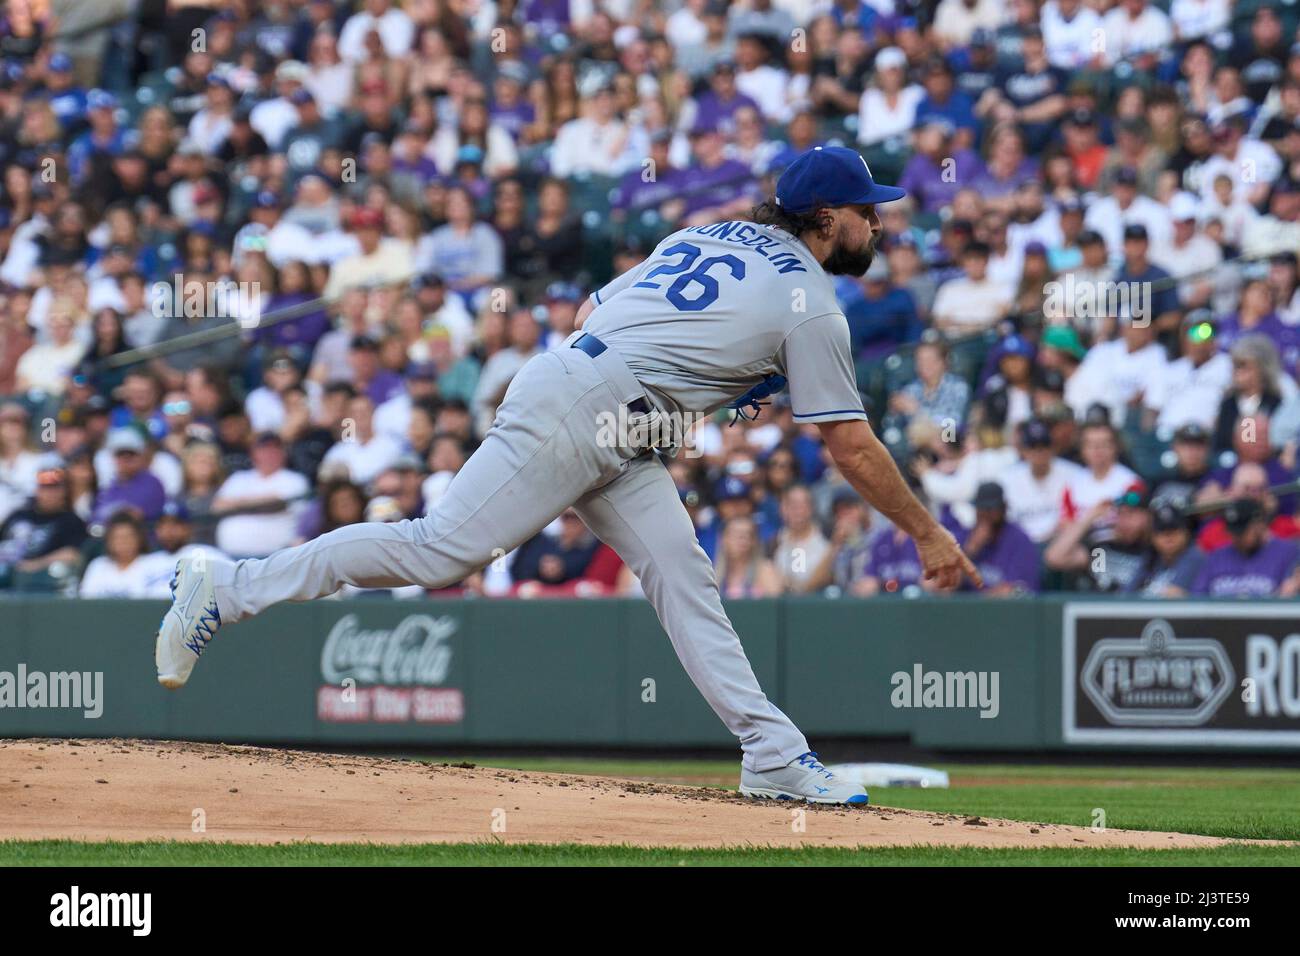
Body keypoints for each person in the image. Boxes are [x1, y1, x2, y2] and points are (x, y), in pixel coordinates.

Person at [155, 145, 980, 806]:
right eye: (867, 210)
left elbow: (593, 311)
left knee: (684, 580)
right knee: (439, 551)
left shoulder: (705, 234)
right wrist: (929, 533)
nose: (878, 222)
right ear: (826, 216)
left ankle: (772, 755)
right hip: (588, 411)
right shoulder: (814, 302)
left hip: (614, 414)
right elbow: (850, 447)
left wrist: (704, 374)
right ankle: (228, 587)